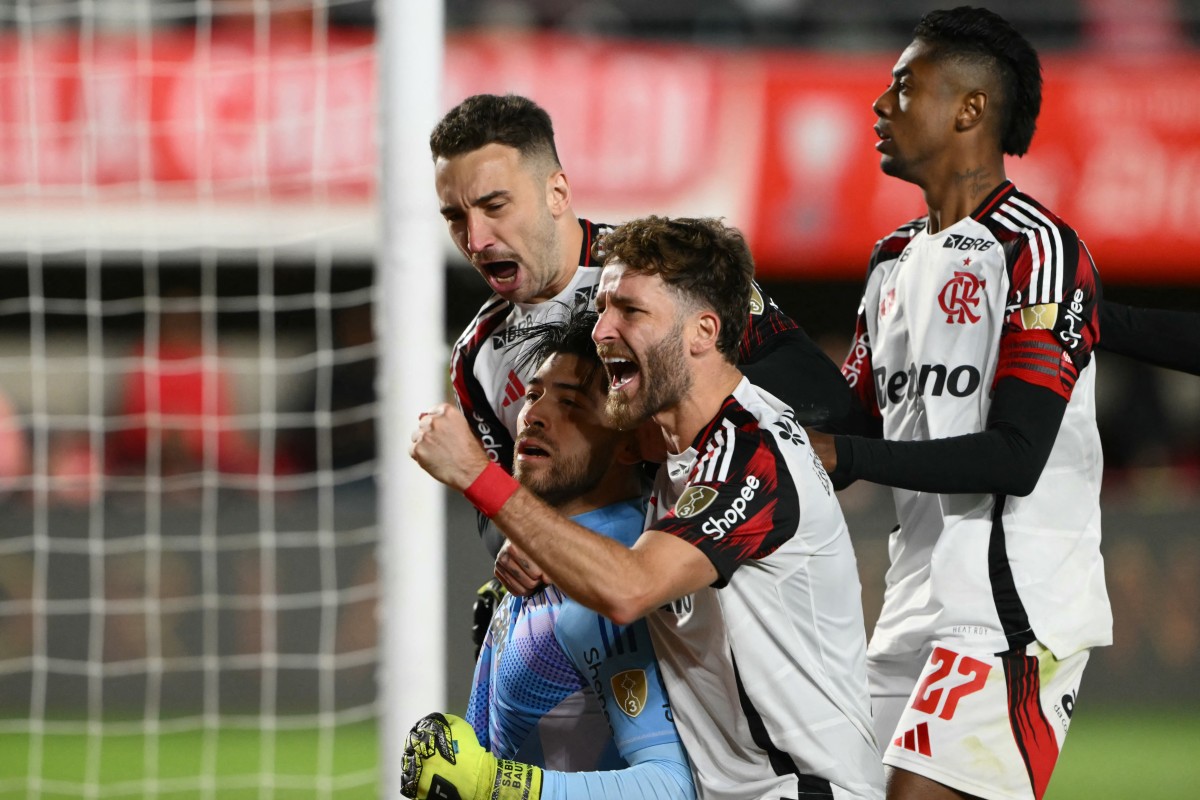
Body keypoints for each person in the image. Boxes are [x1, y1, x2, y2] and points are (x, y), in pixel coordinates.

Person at [412, 215, 884, 800]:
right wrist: (537, 539)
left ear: (702, 332)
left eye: (630, 311)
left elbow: (628, 587)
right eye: (604, 305)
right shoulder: (674, 453)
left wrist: (479, 478)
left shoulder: (751, 453)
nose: (604, 329)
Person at [810, 8, 1111, 800]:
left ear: (970, 109)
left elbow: (1015, 455)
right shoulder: (891, 261)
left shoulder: (1038, 250)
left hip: (1013, 610)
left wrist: (844, 453)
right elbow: (845, 430)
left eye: (903, 88)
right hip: (911, 606)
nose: (880, 106)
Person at [430, 92, 852, 560]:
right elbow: (497, 511)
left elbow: (822, 396)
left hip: (709, 571)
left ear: (558, 193)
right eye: (455, 217)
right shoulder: (476, 355)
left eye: (495, 207)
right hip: (602, 595)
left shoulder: (663, 270)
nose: (476, 240)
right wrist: (515, 543)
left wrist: (665, 410)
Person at [402, 309, 694, 800]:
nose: (533, 414)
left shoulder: (620, 576)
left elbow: (672, 785)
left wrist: (493, 784)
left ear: (629, 444)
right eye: (533, 394)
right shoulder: (535, 564)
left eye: (571, 404)